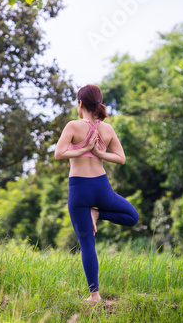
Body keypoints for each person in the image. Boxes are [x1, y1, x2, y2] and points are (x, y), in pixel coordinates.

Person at [54, 84, 139, 303]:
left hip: (80, 190)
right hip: (102, 188)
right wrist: (98, 152)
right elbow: (121, 158)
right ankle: (98, 213)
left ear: (80, 103)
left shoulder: (73, 126)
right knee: (133, 217)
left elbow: (58, 154)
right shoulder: (107, 129)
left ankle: (95, 295)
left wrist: (83, 150)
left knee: (87, 244)